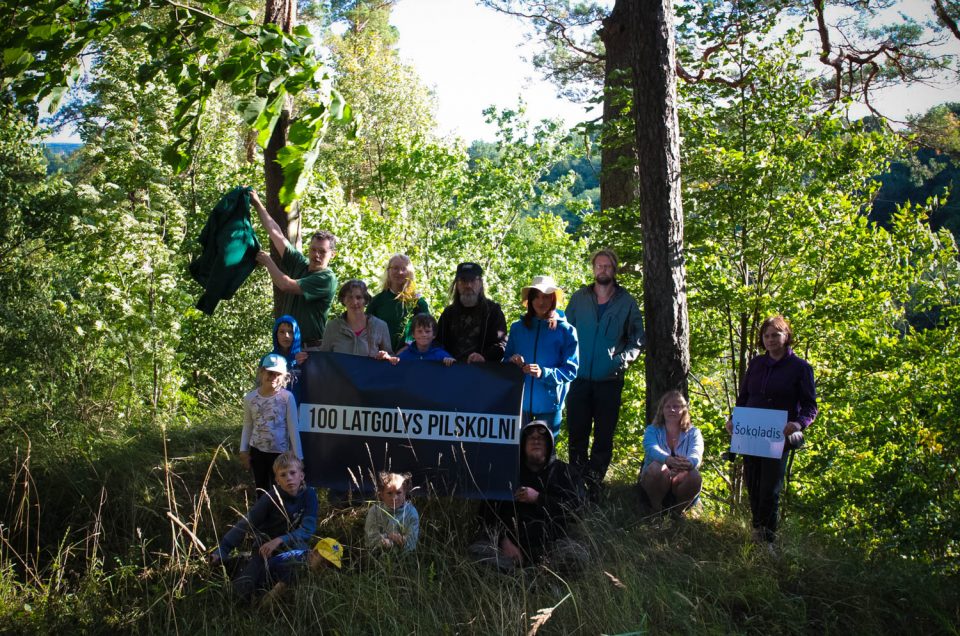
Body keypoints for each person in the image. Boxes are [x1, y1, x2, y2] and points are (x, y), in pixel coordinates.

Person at [726, 315, 817, 545]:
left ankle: (768, 540)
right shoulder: (756, 364)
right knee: (753, 485)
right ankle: (757, 532)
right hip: (751, 434)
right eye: (766, 336)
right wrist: (734, 420)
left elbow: (810, 406)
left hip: (778, 437)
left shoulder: (801, 368)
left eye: (775, 335)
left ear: (786, 336)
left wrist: (798, 424)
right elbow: (744, 397)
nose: (770, 340)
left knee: (770, 488)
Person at [565, 249, 645, 501]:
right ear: (593, 269)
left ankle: (593, 484)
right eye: (599, 266)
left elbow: (638, 339)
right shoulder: (579, 299)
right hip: (578, 379)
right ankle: (576, 486)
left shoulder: (627, 302)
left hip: (609, 381)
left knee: (603, 436)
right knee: (577, 433)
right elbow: (566, 332)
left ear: (615, 269)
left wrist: (622, 361)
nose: (603, 270)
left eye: (607, 266)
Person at [468, 421, 588, 574]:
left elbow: (577, 510)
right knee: (478, 553)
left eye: (541, 437)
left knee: (576, 556)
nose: (536, 440)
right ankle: (519, 577)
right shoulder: (508, 472)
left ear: (550, 444)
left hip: (552, 545)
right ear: (523, 445)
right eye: (531, 438)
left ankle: (540, 576)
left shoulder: (564, 472)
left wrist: (538, 498)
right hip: (510, 546)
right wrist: (503, 540)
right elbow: (486, 513)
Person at [210, 452, 318, 604]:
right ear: (277, 480)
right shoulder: (270, 498)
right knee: (239, 596)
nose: (289, 478)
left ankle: (278, 591)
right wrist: (223, 549)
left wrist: (280, 539)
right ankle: (238, 562)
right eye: (283, 475)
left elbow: (307, 529)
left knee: (302, 569)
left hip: (293, 545)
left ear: (301, 475)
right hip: (265, 548)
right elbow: (246, 523)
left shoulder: (310, 495)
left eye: (293, 473)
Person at [250, 189, 338, 349]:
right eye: (313, 249)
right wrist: (257, 204)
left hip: (310, 349)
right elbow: (276, 234)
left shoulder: (327, 278)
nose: (316, 255)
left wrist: (269, 262)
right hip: (287, 347)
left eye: (322, 252)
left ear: (332, 255)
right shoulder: (300, 263)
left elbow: (286, 285)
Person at [503, 275, 579, 436]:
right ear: (530, 300)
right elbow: (506, 360)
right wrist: (512, 361)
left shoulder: (566, 330)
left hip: (550, 405)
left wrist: (543, 373)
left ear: (553, 299)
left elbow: (571, 370)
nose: (541, 302)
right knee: (518, 452)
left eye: (545, 297)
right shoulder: (517, 328)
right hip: (520, 403)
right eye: (536, 297)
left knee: (546, 454)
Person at [240, 353, 302, 494]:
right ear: (261, 372)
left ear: (284, 377)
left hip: (280, 454)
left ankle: (280, 514)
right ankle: (263, 514)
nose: (273, 377)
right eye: (269, 373)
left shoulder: (286, 397)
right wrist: (243, 450)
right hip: (257, 451)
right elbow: (248, 424)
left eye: (277, 374)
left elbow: (293, 427)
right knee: (261, 488)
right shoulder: (250, 398)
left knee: (280, 489)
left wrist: (298, 456)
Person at [639, 390, 703, 516]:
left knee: (694, 475)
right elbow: (651, 449)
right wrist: (667, 460)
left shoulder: (694, 432)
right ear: (662, 410)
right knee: (657, 468)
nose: (672, 410)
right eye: (667, 406)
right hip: (655, 482)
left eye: (676, 406)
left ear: (684, 410)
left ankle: (678, 512)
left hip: (680, 481)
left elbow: (697, 452)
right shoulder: (652, 430)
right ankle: (656, 510)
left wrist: (689, 463)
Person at [436, 262, 507, 363]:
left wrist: (484, 357)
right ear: (457, 284)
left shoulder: (493, 311)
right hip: (452, 372)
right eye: (463, 280)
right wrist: (444, 356)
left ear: (480, 283)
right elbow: (437, 344)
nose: (468, 285)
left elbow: (502, 344)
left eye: (473, 280)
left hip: (484, 373)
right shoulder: (448, 313)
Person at [367, 254, 430, 352]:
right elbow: (367, 330)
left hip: (409, 357)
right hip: (380, 357)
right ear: (388, 271)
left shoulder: (417, 302)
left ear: (409, 273)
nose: (399, 272)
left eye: (404, 269)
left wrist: (407, 349)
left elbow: (427, 331)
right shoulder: (377, 300)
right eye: (395, 268)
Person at [320, 279, 394, 360]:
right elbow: (323, 359)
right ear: (343, 300)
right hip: (339, 373)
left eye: (359, 297)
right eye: (350, 297)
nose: (354, 302)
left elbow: (390, 358)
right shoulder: (332, 327)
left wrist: (386, 356)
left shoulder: (380, 326)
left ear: (365, 300)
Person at [365, 471, 420, 553]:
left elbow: (412, 542)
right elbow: (370, 539)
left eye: (398, 492)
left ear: (404, 493)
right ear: (382, 495)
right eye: (389, 493)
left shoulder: (411, 512)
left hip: (404, 559)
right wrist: (386, 539)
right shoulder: (375, 511)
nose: (394, 498)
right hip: (378, 557)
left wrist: (402, 540)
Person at [272, 314, 308, 403]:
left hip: (301, 410)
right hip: (276, 410)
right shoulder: (269, 359)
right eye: (282, 332)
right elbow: (261, 386)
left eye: (291, 332)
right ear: (276, 334)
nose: (286, 336)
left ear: (296, 334)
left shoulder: (304, 358)